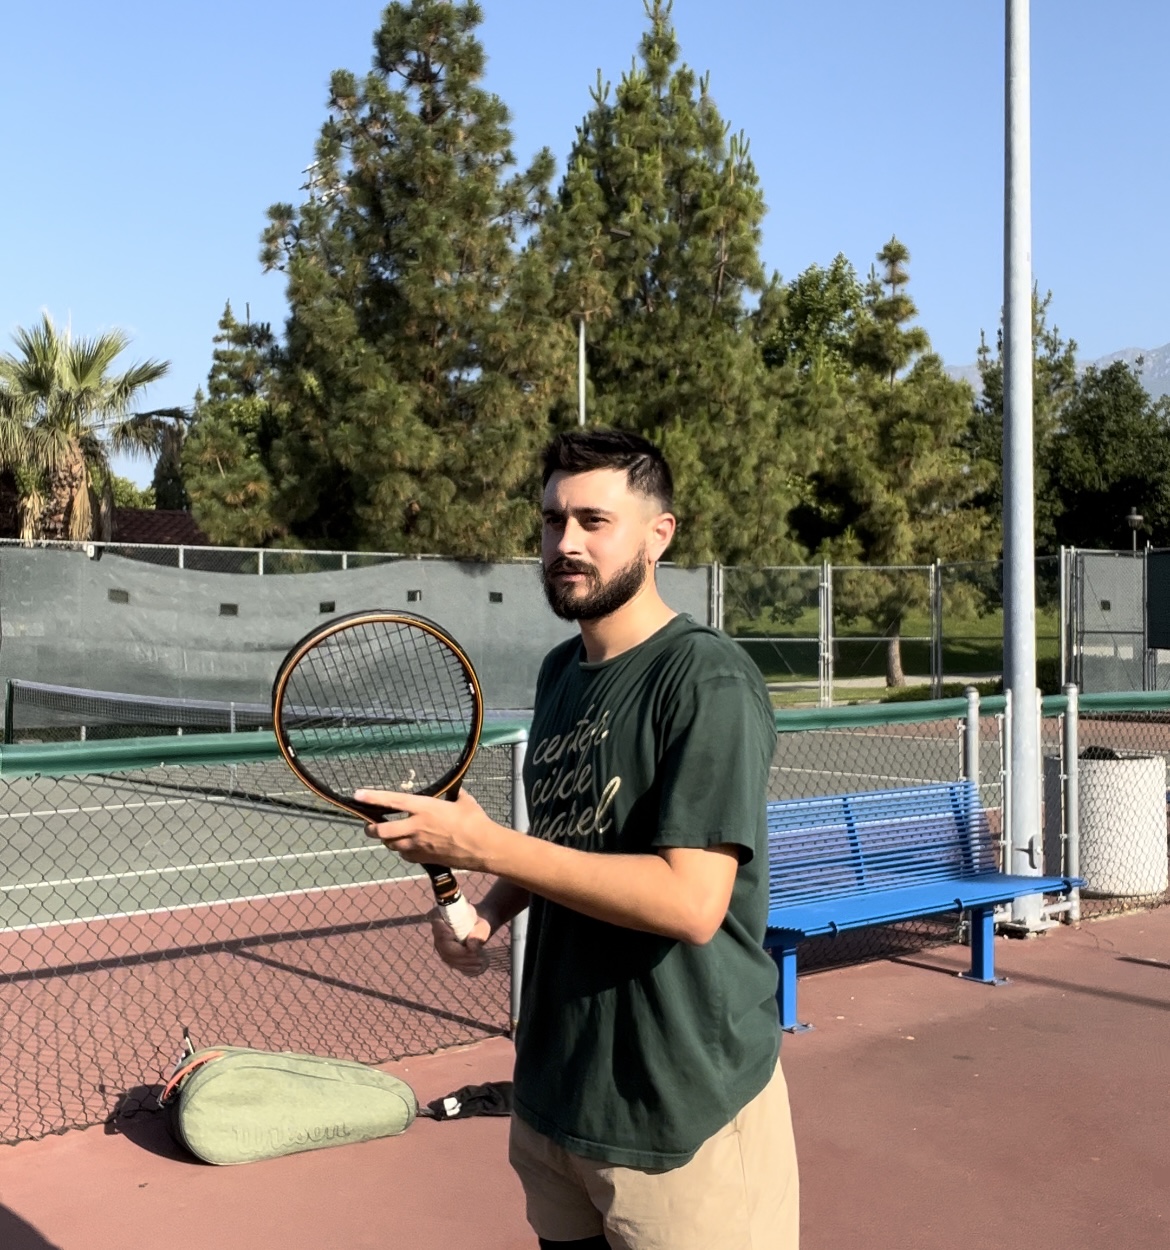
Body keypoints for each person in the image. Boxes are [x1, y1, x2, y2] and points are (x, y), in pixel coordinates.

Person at [356, 429, 799, 1250]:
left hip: (679, 1112)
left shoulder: (707, 680)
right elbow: (569, 838)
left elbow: (693, 903)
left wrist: (486, 847)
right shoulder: (562, 672)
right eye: (552, 520)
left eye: (594, 520)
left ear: (659, 535)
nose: (565, 543)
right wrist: (487, 913)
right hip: (557, 1099)